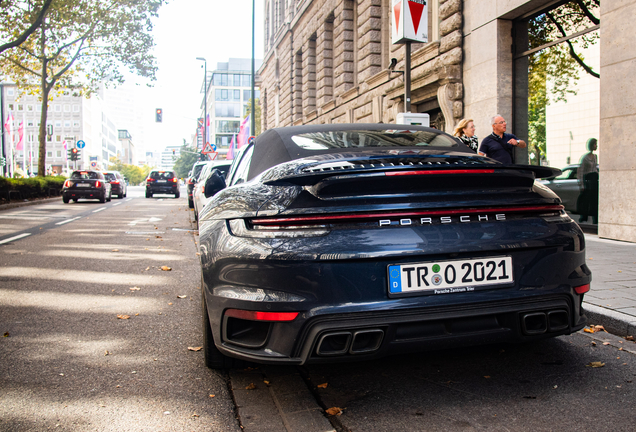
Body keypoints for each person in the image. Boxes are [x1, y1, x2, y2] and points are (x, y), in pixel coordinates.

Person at [576, 138, 599, 224]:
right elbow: (581, 171)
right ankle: (584, 217)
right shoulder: (585, 158)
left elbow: (595, 168)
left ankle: (595, 219)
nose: (596, 146)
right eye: (595, 144)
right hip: (588, 180)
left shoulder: (595, 157)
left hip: (594, 179)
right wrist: (581, 184)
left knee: (594, 200)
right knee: (586, 200)